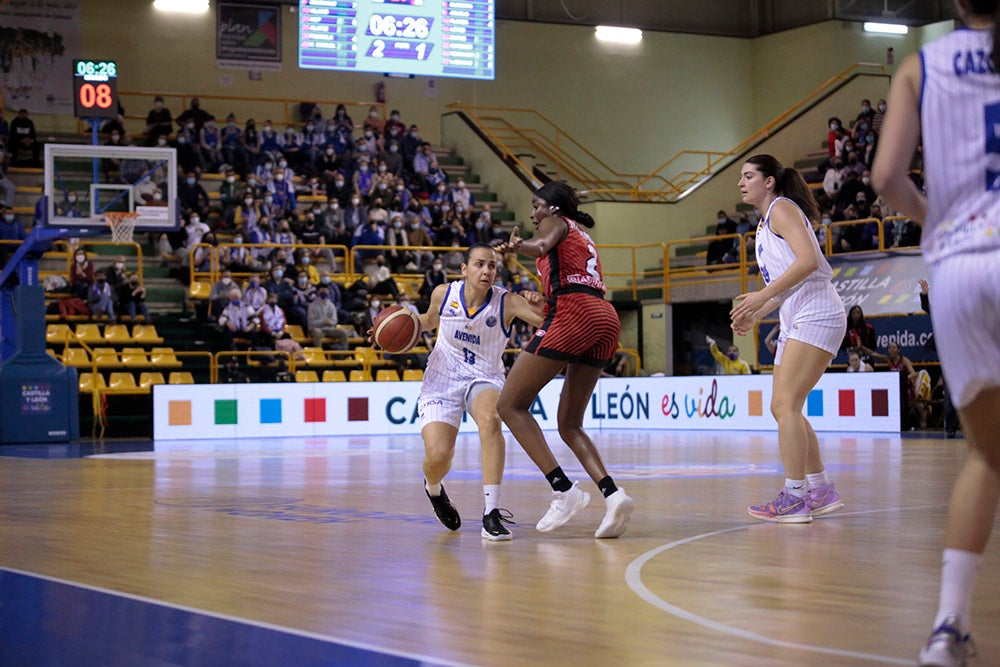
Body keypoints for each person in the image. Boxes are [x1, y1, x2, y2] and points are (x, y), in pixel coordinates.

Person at [872, 3, 1000, 663]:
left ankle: (948, 625)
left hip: (959, 267)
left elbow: (886, 178)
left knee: (987, 453)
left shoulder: (922, 66)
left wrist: (930, 217)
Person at [494, 182, 635, 539]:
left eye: (537, 206)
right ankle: (614, 495)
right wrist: (543, 299)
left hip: (575, 314)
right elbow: (569, 277)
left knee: (510, 405)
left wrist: (517, 246)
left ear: (554, 208)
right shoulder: (582, 236)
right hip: (605, 316)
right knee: (569, 423)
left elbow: (540, 244)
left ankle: (563, 490)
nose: (532, 214)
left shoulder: (554, 225)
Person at [729, 154, 847, 524]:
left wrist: (761, 297)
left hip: (817, 310)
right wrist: (757, 312)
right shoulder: (765, 224)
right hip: (797, 313)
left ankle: (795, 497)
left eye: (748, 176)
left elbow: (810, 261)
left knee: (786, 404)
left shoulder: (781, 209)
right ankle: (821, 490)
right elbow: (788, 280)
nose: (741, 182)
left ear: (769, 182)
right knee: (783, 407)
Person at [408, 243, 545, 540]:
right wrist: (394, 326)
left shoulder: (507, 302)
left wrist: (539, 301)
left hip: (484, 375)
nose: (487, 271)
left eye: (492, 266)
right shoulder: (443, 294)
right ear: (464, 269)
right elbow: (429, 321)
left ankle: (491, 512)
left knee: (491, 419)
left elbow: (548, 320)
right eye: (480, 264)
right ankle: (434, 489)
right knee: (438, 458)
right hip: (442, 379)